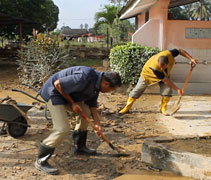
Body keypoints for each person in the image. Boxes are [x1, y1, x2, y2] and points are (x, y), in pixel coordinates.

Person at [35, 66, 122, 175]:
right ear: (106, 84)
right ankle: (41, 160)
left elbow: (92, 105)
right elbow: (58, 84)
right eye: (111, 90)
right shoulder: (86, 76)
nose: (110, 92)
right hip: (54, 93)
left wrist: (98, 125)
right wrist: (72, 103)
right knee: (62, 129)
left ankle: (80, 147)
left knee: (85, 111)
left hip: (67, 94)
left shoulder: (97, 85)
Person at [119, 48, 198, 115]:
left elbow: (180, 50)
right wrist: (177, 89)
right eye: (160, 67)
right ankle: (127, 107)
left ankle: (163, 108)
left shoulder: (169, 54)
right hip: (147, 74)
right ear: (158, 63)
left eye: (163, 67)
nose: (161, 69)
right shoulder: (155, 68)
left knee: (167, 90)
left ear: (168, 63)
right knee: (138, 89)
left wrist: (191, 59)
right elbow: (166, 80)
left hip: (164, 75)